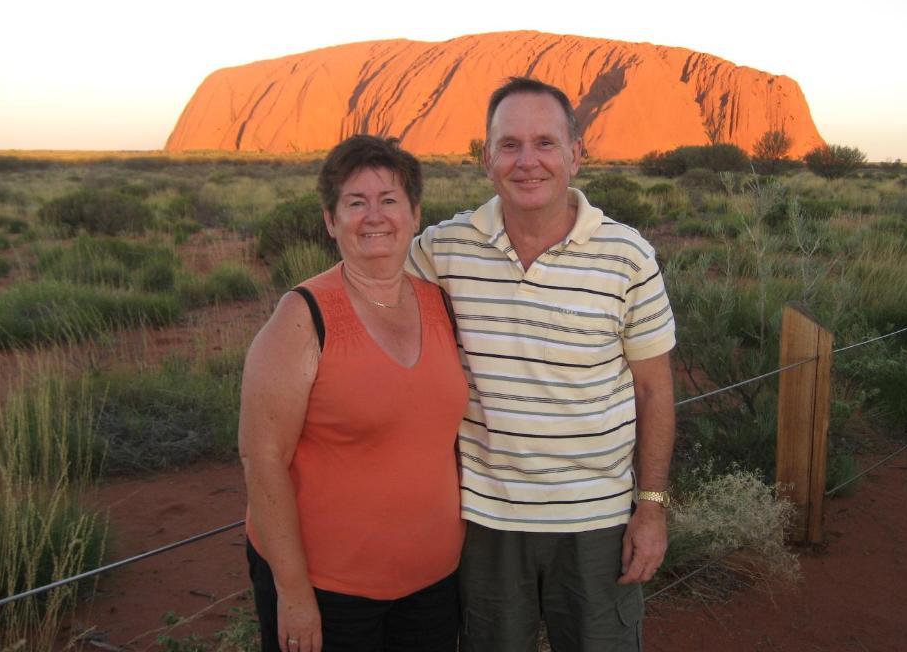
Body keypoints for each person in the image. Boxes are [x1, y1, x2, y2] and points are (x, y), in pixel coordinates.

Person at [408, 77, 677, 651]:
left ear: (576, 155)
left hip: (597, 522)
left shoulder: (628, 256)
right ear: (486, 159)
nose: (527, 161)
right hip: (486, 521)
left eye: (545, 143)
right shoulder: (442, 250)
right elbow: (369, 278)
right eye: (509, 145)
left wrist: (650, 509)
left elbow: (654, 390)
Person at [239, 135, 468, 652]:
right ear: (330, 220)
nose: (374, 216)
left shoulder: (442, 306)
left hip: (433, 585)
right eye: (355, 203)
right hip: (329, 590)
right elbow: (262, 457)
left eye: (389, 200)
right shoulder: (302, 317)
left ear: (414, 214)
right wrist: (293, 593)